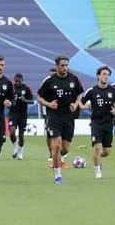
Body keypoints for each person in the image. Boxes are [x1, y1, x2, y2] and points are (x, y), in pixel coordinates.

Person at [37, 56, 83, 184]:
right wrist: (49, 104)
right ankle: (57, 175)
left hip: (68, 118)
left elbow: (80, 93)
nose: (64, 68)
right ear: (57, 66)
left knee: (65, 149)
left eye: (66, 65)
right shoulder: (50, 81)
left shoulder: (73, 79)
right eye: (62, 65)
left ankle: (57, 158)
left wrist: (75, 104)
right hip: (54, 117)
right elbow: (39, 98)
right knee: (56, 145)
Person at [79, 66, 115, 180]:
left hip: (108, 123)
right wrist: (84, 107)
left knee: (106, 152)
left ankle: (95, 157)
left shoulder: (113, 90)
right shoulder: (92, 91)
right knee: (97, 148)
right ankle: (98, 172)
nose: (106, 76)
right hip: (96, 123)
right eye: (104, 74)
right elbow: (80, 103)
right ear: (98, 76)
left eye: (108, 75)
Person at [9, 73, 34, 160]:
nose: (17, 83)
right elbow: (6, 99)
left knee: (21, 134)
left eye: (19, 81)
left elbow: (32, 101)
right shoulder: (11, 88)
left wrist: (25, 100)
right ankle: (15, 147)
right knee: (12, 132)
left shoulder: (26, 88)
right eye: (16, 81)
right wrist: (10, 103)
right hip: (13, 114)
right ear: (14, 80)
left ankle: (20, 152)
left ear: (22, 80)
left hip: (23, 115)